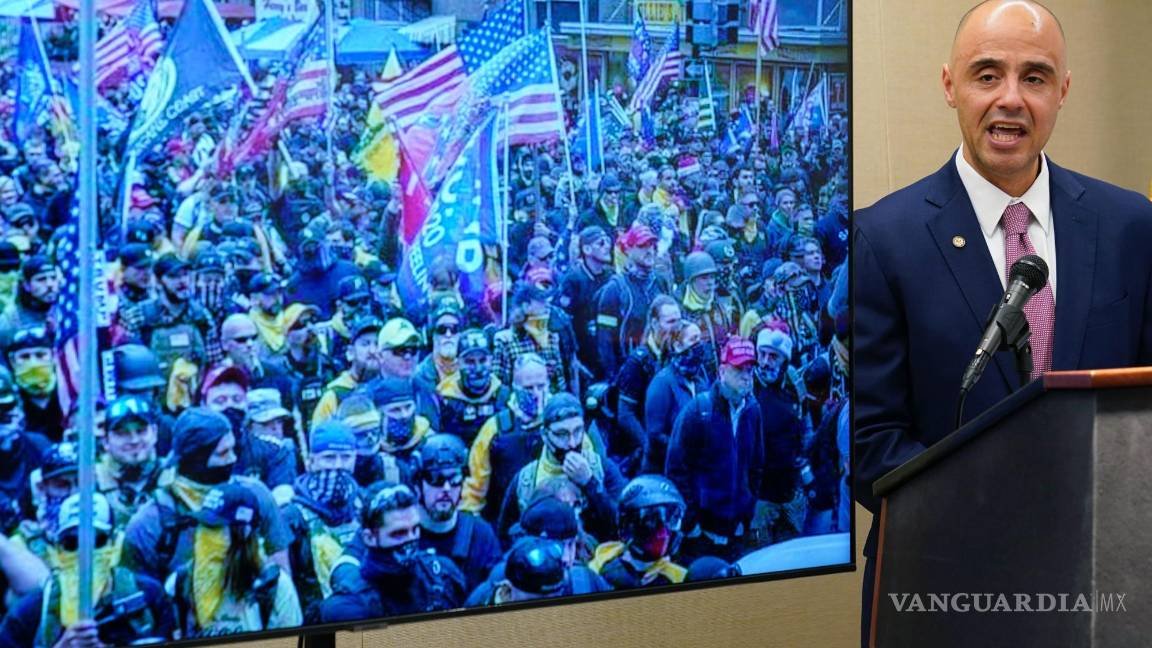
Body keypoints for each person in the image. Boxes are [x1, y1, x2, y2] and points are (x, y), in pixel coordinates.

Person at [854, 2, 1152, 643]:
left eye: (1035, 77)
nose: (1011, 99)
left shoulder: (1130, 225)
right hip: (941, 586)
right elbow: (870, 444)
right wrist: (1004, 506)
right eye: (987, 75)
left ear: (1063, 91)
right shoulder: (882, 239)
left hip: (1104, 584)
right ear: (949, 86)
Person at [121, 408, 292, 584]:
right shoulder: (150, 523)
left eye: (233, 450)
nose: (232, 459)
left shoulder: (256, 495)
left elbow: (281, 576)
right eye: (222, 454)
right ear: (196, 460)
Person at [0, 493, 175, 647]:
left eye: (96, 541)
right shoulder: (31, 612)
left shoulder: (149, 597)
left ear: (114, 542)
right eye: (72, 543)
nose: (84, 554)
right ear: (59, 549)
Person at [665, 337, 764, 563]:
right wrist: (691, 524)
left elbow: (756, 466)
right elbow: (676, 470)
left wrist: (747, 513)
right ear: (721, 371)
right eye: (739, 369)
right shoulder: (698, 411)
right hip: (702, 534)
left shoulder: (753, 410)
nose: (746, 376)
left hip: (736, 531)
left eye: (750, 369)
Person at [167, 481, 302, 637]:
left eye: (215, 528)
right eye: (203, 526)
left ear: (243, 532)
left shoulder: (273, 586)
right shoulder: (180, 582)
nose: (204, 535)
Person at [319, 483, 465, 621]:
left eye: (415, 529)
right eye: (399, 533)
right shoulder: (348, 608)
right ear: (369, 538)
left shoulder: (444, 575)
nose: (410, 539)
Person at [280, 420, 363, 623]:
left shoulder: (364, 505)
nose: (338, 466)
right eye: (329, 458)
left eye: (345, 457)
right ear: (311, 461)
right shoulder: (292, 517)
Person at [460, 353, 549, 524]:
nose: (536, 394)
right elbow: (475, 488)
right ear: (515, 387)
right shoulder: (495, 428)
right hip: (507, 523)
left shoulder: (562, 421)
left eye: (541, 386)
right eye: (529, 388)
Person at [412, 433, 501, 593]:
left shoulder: (480, 534)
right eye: (436, 479)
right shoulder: (403, 536)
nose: (446, 489)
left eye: (455, 480)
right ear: (417, 485)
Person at [588, 475, 687, 589]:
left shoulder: (680, 578)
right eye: (651, 521)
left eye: (671, 520)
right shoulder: (598, 570)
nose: (663, 534)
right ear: (629, 525)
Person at [96, 395, 173, 528]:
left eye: (141, 430)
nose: (134, 440)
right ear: (106, 441)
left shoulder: (174, 477)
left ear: (154, 433)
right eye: (122, 433)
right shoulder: (91, 483)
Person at [643, 322, 709, 475]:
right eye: (693, 340)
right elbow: (655, 435)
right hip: (663, 472)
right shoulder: (662, 383)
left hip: (692, 471)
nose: (699, 345)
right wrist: (686, 448)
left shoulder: (699, 381)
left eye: (700, 338)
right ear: (678, 346)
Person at [436, 328, 511, 448]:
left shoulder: (503, 394)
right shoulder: (444, 399)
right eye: (470, 362)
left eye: (483, 360)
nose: (478, 368)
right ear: (458, 363)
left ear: (491, 360)